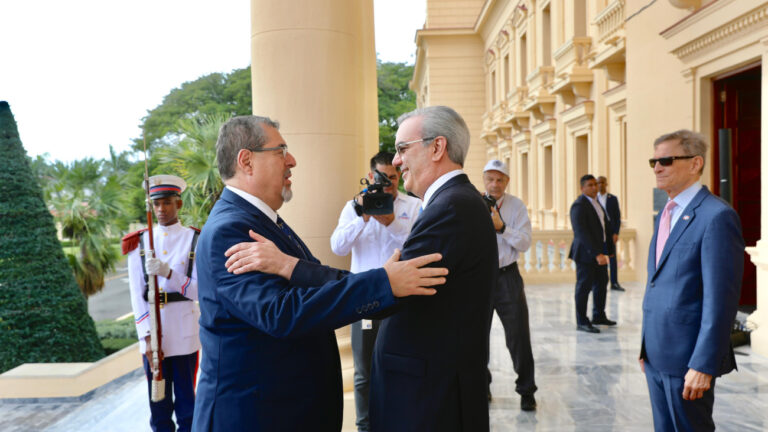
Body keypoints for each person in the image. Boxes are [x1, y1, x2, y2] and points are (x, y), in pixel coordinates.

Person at [191, 115, 448, 432]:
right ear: (246, 161)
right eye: (281, 150)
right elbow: (280, 313)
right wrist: (382, 282)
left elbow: (318, 277)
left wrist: (385, 283)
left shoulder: (263, 221)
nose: (292, 161)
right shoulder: (229, 230)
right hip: (255, 416)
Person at [368, 106, 498, 431]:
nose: (396, 162)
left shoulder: (451, 207)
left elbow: (396, 291)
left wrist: (293, 269)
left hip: (429, 399)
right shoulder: (453, 202)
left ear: (437, 147)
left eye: (402, 149)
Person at [640, 130, 744, 431]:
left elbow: (720, 301)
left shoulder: (716, 216)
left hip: (688, 359)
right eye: (654, 161)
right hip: (657, 353)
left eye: (666, 160)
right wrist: (645, 347)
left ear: (695, 163)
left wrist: (703, 363)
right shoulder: (667, 212)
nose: (657, 168)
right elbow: (657, 283)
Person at [329, 151, 421, 432]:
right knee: (363, 372)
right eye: (382, 179)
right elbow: (338, 247)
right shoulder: (354, 207)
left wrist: (391, 222)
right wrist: (363, 217)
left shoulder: (415, 206)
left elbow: (416, 248)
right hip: (365, 300)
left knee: (403, 365)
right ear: (371, 177)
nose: (388, 185)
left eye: (393, 178)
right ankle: (364, 426)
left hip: (402, 298)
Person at [122, 174, 200, 432]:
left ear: (178, 204)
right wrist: (146, 338)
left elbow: (200, 291)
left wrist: (169, 273)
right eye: (156, 204)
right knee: (159, 405)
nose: (160, 209)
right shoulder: (140, 242)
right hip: (154, 338)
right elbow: (136, 294)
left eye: (166, 202)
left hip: (184, 334)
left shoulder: (195, 239)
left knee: (188, 407)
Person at [482, 159, 537, 411]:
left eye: (500, 179)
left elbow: (525, 243)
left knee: (518, 336)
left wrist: (502, 228)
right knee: (476, 337)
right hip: (479, 277)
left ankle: (526, 390)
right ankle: (482, 387)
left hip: (507, 277)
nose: (495, 184)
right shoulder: (473, 204)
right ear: (484, 180)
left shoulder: (516, 206)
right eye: (491, 179)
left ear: (507, 181)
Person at [568, 174, 616, 333]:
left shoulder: (597, 204)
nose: (594, 187)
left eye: (595, 184)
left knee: (602, 283)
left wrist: (609, 251)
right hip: (586, 254)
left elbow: (605, 228)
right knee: (584, 287)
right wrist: (596, 254)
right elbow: (581, 233)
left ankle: (598, 315)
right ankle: (581, 321)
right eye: (590, 185)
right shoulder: (579, 205)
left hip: (600, 252)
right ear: (582, 188)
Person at [596, 176, 625, 291]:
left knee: (612, 258)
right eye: (598, 183)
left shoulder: (612, 198)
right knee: (598, 258)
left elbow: (617, 217)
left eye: (602, 182)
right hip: (598, 233)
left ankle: (614, 282)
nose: (600, 185)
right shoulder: (594, 199)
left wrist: (616, 233)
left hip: (610, 233)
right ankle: (598, 282)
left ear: (606, 184)